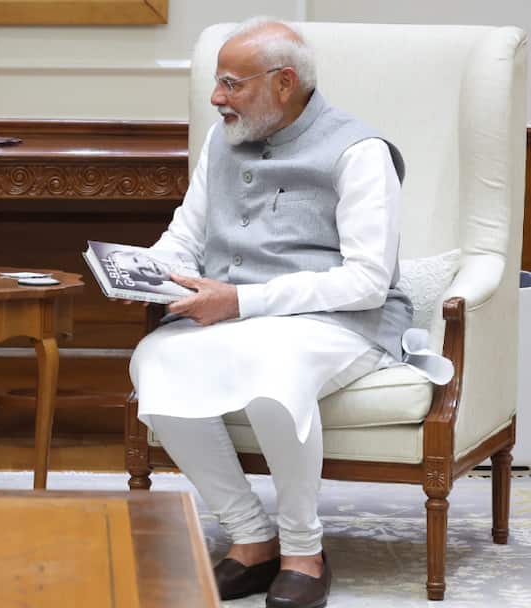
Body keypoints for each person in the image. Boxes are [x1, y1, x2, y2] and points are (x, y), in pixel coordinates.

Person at [127, 17, 445, 608]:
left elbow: (367, 282)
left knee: (273, 371)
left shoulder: (360, 152)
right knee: (154, 359)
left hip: (339, 322)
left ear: (284, 82)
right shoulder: (221, 141)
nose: (216, 98)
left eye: (232, 84)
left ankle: (304, 550)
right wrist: (142, 272)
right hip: (238, 320)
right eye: (217, 82)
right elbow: (185, 237)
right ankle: (251, 538)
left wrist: (240, 301)